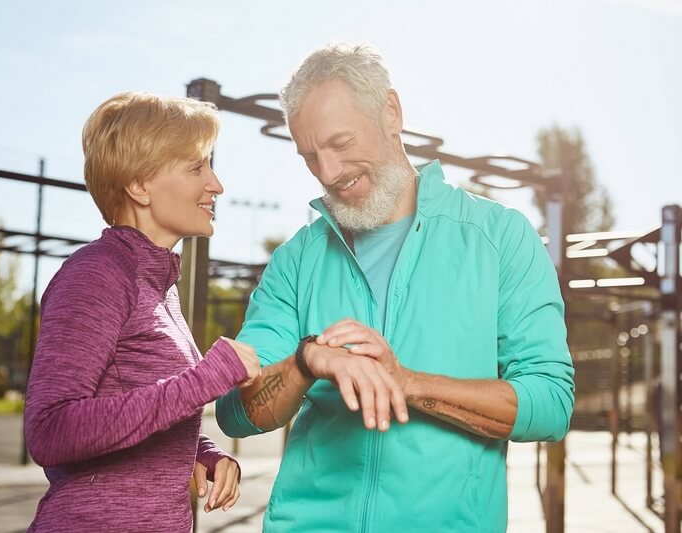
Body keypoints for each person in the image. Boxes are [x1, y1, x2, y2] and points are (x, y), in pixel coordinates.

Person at [216, 43, 575, 532]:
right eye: (309, 156)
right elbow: (236, 412)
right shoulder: (296, 259)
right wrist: (305, 362)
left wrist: (409, 384)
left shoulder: (501, 238)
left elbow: (550, 403)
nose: (328, 172)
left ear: (391, 112)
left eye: (341, 143)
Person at [24, 92, 260, 532]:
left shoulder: (157, 284)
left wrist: (200, 452)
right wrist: (205, 379)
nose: (216, 184)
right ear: (139, 185)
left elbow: (138, 409)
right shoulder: (96, 274)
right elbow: (49, 431)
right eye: (196, 167)